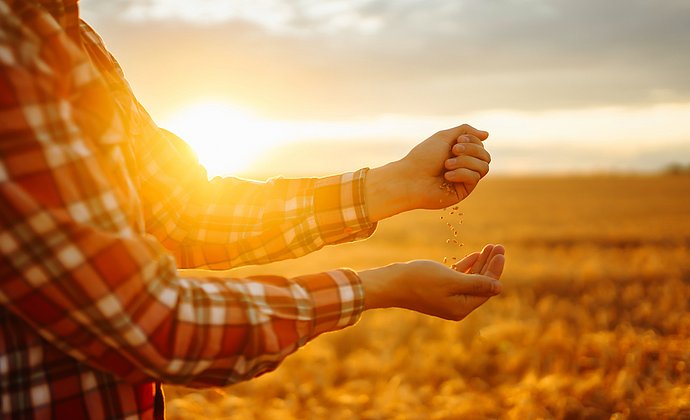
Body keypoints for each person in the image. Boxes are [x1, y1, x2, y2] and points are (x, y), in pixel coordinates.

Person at [0, 1, 506, 418]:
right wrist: (380, 287)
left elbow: (181, 211)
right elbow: (150, 321)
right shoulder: (15, 50)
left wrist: (394, 184)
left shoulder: (72, 39)